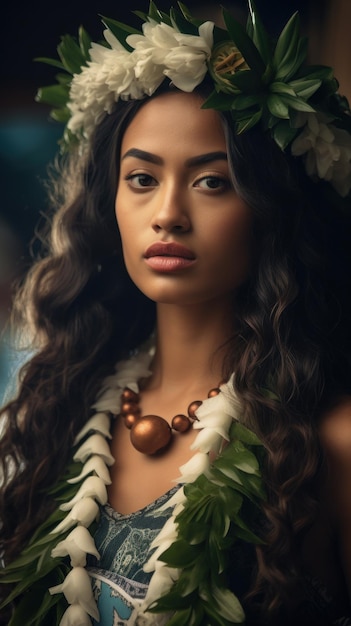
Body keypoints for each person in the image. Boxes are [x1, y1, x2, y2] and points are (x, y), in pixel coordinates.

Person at [1, 2, 351, 625]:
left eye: (212, 181)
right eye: (141, 178)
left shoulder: (328, 442)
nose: (167, 213)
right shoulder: (59, 406)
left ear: (273, 211)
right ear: (108, 202)